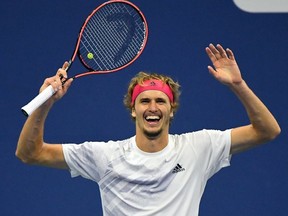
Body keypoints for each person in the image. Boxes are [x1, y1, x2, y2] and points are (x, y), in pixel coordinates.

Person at [16, 44, 281, 216]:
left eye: (160, 101)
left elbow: (267, 131)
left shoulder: (199, 147)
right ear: (133, 109)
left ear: (171, 109)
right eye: (144, 101)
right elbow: (30, 153)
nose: (152, 107)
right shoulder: (105, 156)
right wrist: (45, 104)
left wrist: (238, 85)